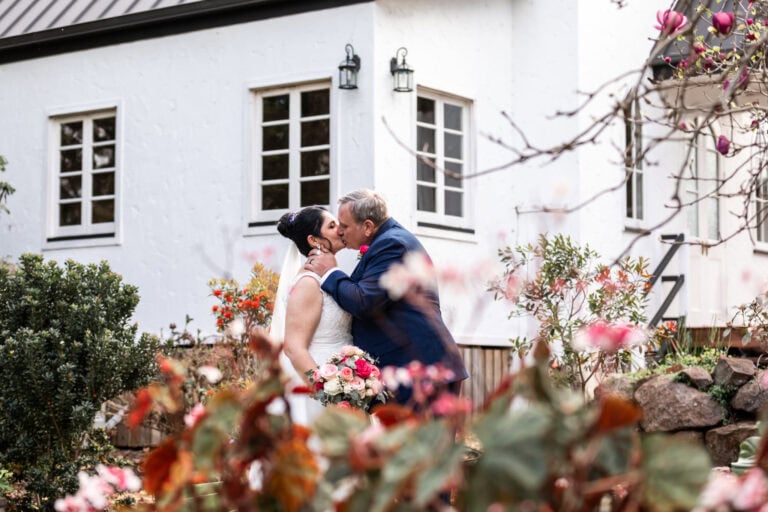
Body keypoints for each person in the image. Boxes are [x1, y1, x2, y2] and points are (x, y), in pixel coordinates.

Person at [304, 189, 468, 404]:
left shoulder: (393, 245)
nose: (341, 232)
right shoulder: (388, 241)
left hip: (422, 371)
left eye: (344, 225)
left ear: (368, 227)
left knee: (423, 439)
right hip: (411, 369)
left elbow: (364, 302)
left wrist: (330, 273)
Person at [272, 205, 350, 425]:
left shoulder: (328, 279)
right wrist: (326, 394)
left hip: (344, 381)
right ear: (314, 240)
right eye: (332, 226)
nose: (341, 230)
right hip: (321, 382)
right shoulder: (309, 282)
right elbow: (294, 348)